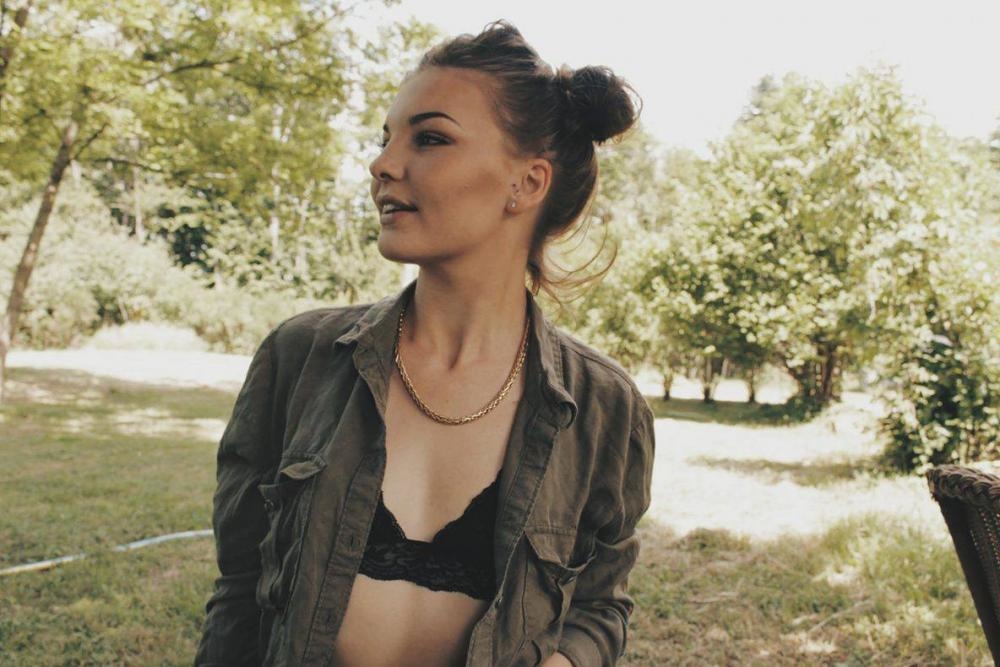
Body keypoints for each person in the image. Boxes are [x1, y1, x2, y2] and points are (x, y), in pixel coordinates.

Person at [195, 19, 655, 667]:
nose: (382, 164)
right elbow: (240, 591)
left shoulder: (605, 406)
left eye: (430, 138)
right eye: (385, 139)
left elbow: (601, 604)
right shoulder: (298, 358)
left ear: (527, 183)